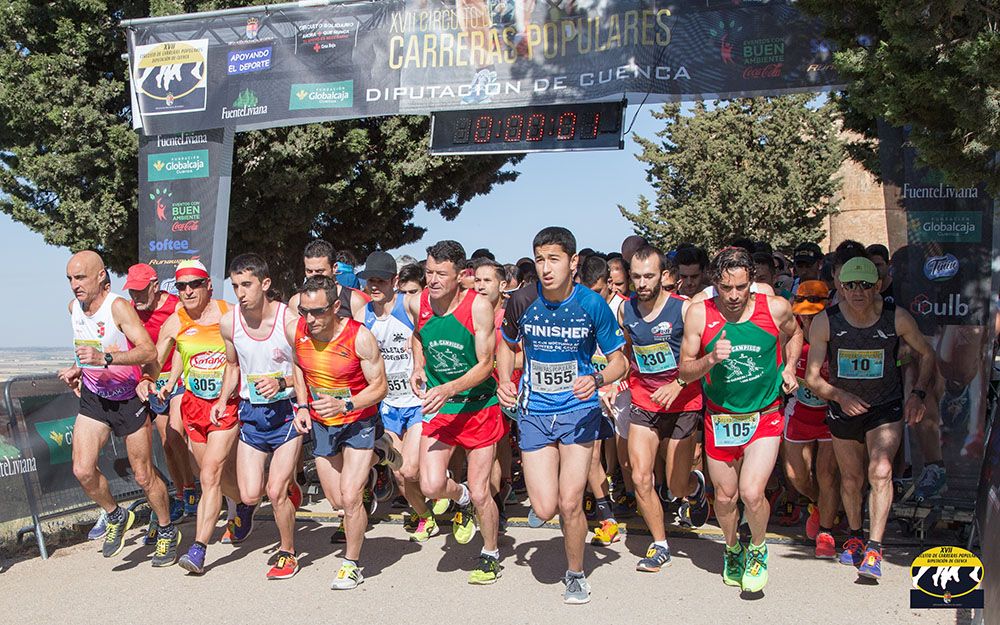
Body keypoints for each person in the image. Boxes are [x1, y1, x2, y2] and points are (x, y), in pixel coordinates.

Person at [498, 227, 627, 604]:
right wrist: (505, 378)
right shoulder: (522, 300)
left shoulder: (592, 304)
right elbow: (506, 346)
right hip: (535, 412)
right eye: (539, 259)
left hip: (578, 412)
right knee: (543, 506)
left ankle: (575, 573)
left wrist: (597, 378)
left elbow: (620, 361)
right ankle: (569, 527)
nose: (545, 267)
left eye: (553, 259)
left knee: (570, 502)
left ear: (573, 263)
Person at [678, 247, 802, 593]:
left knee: (751, 491)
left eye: (741, 287)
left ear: (753, 283)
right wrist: (709, 361)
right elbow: (685, 371)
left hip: (765, 415)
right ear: (714, 283)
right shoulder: (699, 315)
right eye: (725, 288)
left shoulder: (774, 308)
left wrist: (790, 367)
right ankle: (733, 548)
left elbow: (795, 334)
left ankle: (759, 549)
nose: (733, 296)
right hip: (720, 417)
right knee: (725, 497)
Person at [805, 256, 936, 581]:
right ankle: (854, 536)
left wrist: (918, 393)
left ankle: (875, 548)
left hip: (884, 407)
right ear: (840, 286)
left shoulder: (896, 318)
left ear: (877, 286)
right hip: (844, 407)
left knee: (880, 471)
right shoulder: (827, 321)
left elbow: (927, 353)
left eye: (865, 285)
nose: (858, 292)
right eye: (850, 285)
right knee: (851, 480)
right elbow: (812, 377)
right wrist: (840, 396)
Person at [59, 251, 180, 566]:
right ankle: (116, 515)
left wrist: (106, 360)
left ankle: (167, 530)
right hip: (95, 398)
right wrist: (77, 368)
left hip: (128, 399)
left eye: (81, 277)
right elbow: (86, 347)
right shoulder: (74, 309)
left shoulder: (119, 307)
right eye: (70, 279)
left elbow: (149, 351)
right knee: (83, 470)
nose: (75, 285)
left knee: (143, 475)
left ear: (100, 276)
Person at [139, 260, 248, 574]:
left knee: (210, 475)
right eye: (181, 285)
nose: (187, 291)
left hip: (226, 403)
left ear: (208, 286)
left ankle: (198, 549)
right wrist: (149, 379)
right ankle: (243, 504)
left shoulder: (230, 314)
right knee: (215, 477)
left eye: (194, 284)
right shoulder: (175, 322)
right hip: (194, 406)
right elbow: (158, 360)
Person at [407, 240, 506, 585]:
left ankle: (491, 553)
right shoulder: (417, 301)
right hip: (442, 407)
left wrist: (448, 387)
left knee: (482, 490)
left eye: (440, 274)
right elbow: (418, 337)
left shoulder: (478, 307)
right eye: (428, 271)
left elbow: (485, 365)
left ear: (461, 275)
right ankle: (459, 498)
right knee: (431, 484)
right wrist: (418, 366)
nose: (432, 279)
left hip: (478, 406)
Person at [288, 275, 392, 589]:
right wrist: (303, 406)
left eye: (318, 311)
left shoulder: (359, 337)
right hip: (322, 423)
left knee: (350, 498)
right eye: (305, 310)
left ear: (336, 307)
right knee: (335, 499)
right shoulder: (298, 332)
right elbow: (298, 368)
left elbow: (380, 387)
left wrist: (345, 404)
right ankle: (380, 455)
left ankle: (352, 564)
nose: (310, 318)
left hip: (358, 420)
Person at [620, 246, 708, 573]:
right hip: (645, 401)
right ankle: (660, 545)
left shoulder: (685, 310)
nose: (642, 283)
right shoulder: (625, 311)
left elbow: (703, 360)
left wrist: (680, 384)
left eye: (649, 276)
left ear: (664, 277)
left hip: (684, 402)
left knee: (675, 485)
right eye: (636, 277)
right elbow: (630, 353)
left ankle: (695, 489)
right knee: (640, 475)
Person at [214, 254, 303, 579]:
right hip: (252, 413)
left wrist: (283, 382)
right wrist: (224, 399)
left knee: (275, 490)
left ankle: (288, 552)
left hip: (287, 413)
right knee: (251, 494)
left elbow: (307, 369)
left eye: (246, 284)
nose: (240, 292)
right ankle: (289, 489)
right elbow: (233, 365)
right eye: (235, 285)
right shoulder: (230, 323)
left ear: (265, 284)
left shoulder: (288, 321)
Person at [360, 251, 436, 541]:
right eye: (370, 280)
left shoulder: (409, 306)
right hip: (388, 404)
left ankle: (444, 488)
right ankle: (424, 516)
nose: (374, 285)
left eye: (380, 280)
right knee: (401, 473)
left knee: (413, 468)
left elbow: (429, 335)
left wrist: (419, 355)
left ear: (394, 280)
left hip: (417, 401)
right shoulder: (364, 314)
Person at [125, 263, 194, 529]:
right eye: (132, 292)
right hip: (150, 380)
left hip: (179, 375)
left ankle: (193, 489)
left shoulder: (176, 306)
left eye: (142, 291)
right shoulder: (130, 311)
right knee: (167, 442)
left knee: (175, 434)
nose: (137, 298)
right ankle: (183, 493)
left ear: (155, 286)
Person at [782, 280, 840, 558]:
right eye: (803, 313)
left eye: (814, 314)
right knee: (797, 476)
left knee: (827, 474)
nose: (807, 319)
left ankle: (826, 531)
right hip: (800, 412)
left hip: (830, 416)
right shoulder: (791, 336)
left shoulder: (837, 335)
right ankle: (820, 504)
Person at [289, 240, 369, 321]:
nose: (313, 276)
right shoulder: (296, 302)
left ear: (334, 268)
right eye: (309, 271)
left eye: (319, 271)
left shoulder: (354, 302)